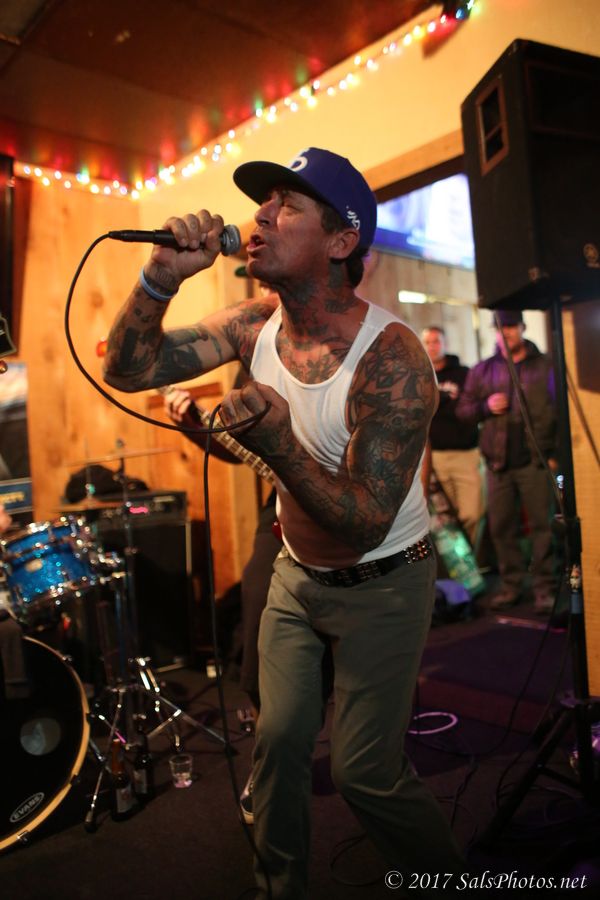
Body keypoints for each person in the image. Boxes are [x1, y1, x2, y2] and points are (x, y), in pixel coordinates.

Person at [104, 146, 465, 897]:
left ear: (340, 242)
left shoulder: (392, 358)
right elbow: (128, 369)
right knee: (276, 741)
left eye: (286, 206)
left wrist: (278, 445)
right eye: (262, 203)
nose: (260, 217)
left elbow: (364, 523)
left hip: (385, 582)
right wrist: (159, 278)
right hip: (297, 580)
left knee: (364, 771)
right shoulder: (252, 323)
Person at [163, 383, 280, 824]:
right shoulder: (253, 364)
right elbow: (238, 449)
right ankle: (269, 760)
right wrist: (192, 426)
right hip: (283, 511)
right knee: (255, 617)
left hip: (346, 506)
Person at [456, 309, 558, 615]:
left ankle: (545, 589)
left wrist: (554, 456)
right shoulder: (483, 370)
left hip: (535, 461)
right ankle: (512, 585)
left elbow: (559, 411)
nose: (507, 333)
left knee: (543, 528)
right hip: (498, 464)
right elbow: (463, 410)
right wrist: (485, 407)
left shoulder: (545, 366)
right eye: (501, 327)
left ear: (523, 327)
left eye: (512, 326)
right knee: (502, 528)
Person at [421, 326, 484, 546]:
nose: (432, 346)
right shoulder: (420, 376)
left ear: (445, 344)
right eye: (428, 342)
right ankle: (457, 566)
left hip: (465, 455)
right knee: (445, 522)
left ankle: (470, 561)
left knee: (472, 514)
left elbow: (467, 409)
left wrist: (439, 402)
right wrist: (446, 400)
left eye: (436, 341)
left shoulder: (464, 374)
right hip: (434, 458)